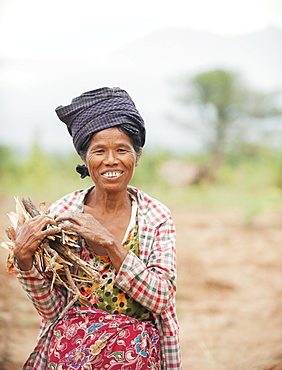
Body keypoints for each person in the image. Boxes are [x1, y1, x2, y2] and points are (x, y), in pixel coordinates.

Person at [14, 87, 182, 369]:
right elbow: (52, 309)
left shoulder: (156, 217)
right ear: (85, 158)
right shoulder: (62, 215)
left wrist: (111, 245)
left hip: (135, 356)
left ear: (137, 157)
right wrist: (24, 260)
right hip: (71, 353)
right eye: (99, 151)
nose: (111, 160)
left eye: (122, 150)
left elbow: (161, 298)